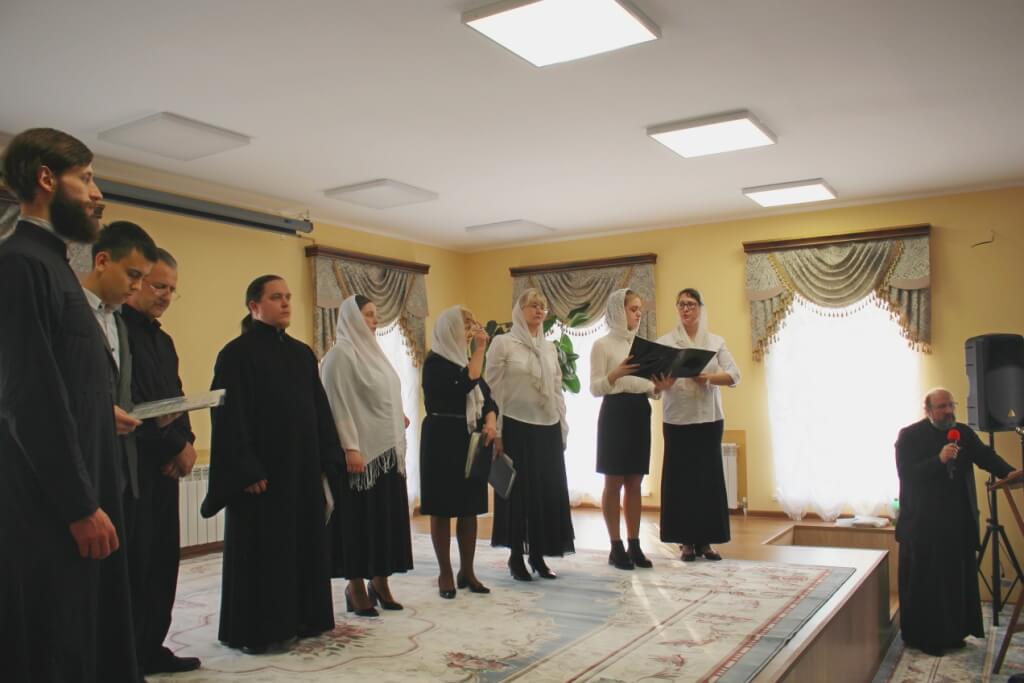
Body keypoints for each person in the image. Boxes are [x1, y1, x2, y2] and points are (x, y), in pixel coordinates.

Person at [0, 128, 140, 682]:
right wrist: (79, 505)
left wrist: (99, 410)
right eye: (85, 178)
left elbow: (61, 375)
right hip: (51, 505)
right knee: (57, 640)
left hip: (83, 479)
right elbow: (27, 395)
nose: (96, 193)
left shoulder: (53, 263)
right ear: (46, 179)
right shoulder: (20, 264)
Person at [201, 275, 343, 653]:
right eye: (276, 297)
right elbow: (228, 416)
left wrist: (328, 457)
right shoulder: (236, 354)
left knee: (302, 545)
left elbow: (319, 409)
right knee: (265, 551)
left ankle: (304, 618)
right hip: (263, 476)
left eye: (288, 297)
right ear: (254, 306)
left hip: (301, 469)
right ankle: (258, 630)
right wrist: (245, 469)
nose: (285, 303)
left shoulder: (302, 353)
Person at [122, 248, 202, 674]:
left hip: (167, 466)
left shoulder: (163, 340)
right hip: (134, 466)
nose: (166, 295)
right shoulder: (117, 331)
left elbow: (176, 397)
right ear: (136, 281)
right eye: (159, 286)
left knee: (163, 562)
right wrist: (174, 445)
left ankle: (152, 646)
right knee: (136, 564)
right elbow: (131, 400)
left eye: (172, 289)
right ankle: (128, 653)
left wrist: (187, 442)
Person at [895, 388, 1014, 657]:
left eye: (951, 405)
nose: (949, 411)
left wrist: (1010, 473)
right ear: (927, 410)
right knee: (929, 584)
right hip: (924, 526)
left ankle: (954, 633)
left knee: (955, 581)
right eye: (942, 407)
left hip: (957, 522)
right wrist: (939, 459)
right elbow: (907, 473)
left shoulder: (963, 433)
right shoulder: (909, 436)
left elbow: (986, 457)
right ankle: (926, 637)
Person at [321, 294, 414, 616]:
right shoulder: (340, 355)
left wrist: (398, 417)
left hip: (386, 454)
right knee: (359, 522)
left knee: (383, 521)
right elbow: (337, 404)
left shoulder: (375, 354)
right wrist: (351, 447)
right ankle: (356, 587)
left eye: (376, 315)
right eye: (368, 315)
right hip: (360, 457)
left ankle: (380, 582)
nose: (375, 321)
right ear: (351, 318)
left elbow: (384, 395)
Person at [485, 288, 575, 581]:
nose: (539, 311)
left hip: (547, 427)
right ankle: (515, 557)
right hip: (515, 427)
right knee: (518, 495)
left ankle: (538, 555)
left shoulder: (549, 348)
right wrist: (497, 431)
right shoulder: (503, 343)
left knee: (545, 493)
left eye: (542, 307)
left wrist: (562, 426)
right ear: (519, 310)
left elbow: (557, 390)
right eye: (533, 305)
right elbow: (492, 390)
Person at [590, 289, 674, 570]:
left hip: (639, 411)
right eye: (633, 309)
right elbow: (595, 388)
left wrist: (659, 387)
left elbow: (647, 387)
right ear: (618, 310)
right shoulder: (602, 345)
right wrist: (616, 373)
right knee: (613, 481)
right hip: (614, 412)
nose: (639, 314)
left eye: (640, 309)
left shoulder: (642, 345)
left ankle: (634, 544)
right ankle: (615, 547)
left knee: (635, 482)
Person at [420, 306, 499, 598]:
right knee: (441, 509)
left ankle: (468, 570)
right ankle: (445, 573)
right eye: (466, 325)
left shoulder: (465, 361)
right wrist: (480, 350)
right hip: (441, 440)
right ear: (449, 328)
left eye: (472, 324)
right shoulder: (435, 362)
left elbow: (488, 399)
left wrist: (490, 421)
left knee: (469, 508)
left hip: (469, 441)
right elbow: (466, 382)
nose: (470, 330)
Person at [657, 288, 740, 562]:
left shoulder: (715, 341)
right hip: (677, 420)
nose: (686, 309)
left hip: (709, 420)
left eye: (691, 304)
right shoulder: (666, 342)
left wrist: (709, 378)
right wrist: (664, 382)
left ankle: (706, 541)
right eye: (681, 304)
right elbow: (655, 383)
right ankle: (685, 542)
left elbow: (734, 375)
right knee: (681, 481)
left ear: (700, 308)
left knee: (707, 480)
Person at [80, 220, 158, 508]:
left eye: (143, 278)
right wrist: (98, 414)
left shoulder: (120, 324)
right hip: (81, 468)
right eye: (132, 275)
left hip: (121, 472)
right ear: (102, 261)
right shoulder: (66, 312)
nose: (137, 286)